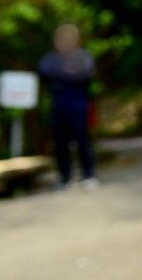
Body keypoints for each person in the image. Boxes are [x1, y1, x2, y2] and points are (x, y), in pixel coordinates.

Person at [38, 23, 98, 190]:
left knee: (83, 141)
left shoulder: (83, 57)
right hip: (59, 106)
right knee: (60, 143)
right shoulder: (51, 59)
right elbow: (44, 73)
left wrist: (64, 75)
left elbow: (85, 74)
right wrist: (68, 73)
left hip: (79, 106)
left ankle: (89, 175)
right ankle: (65, 177)